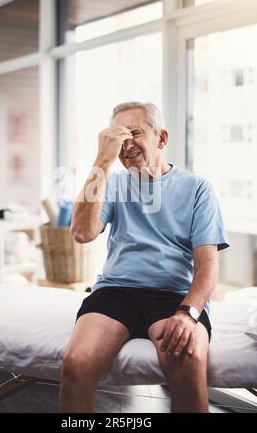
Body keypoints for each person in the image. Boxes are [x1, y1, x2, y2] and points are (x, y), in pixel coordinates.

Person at [58, 101, 229, 413]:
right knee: (76, 363)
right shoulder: (111, 183)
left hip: (172, 296)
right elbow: (81, 233)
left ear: (161, 138)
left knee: (188, 361)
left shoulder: (197, 188)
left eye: (134, 133)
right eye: (118, 138)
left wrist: (187, 314)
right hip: (116, 291)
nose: (126, 144)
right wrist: (101, 160)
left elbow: (207, 267)